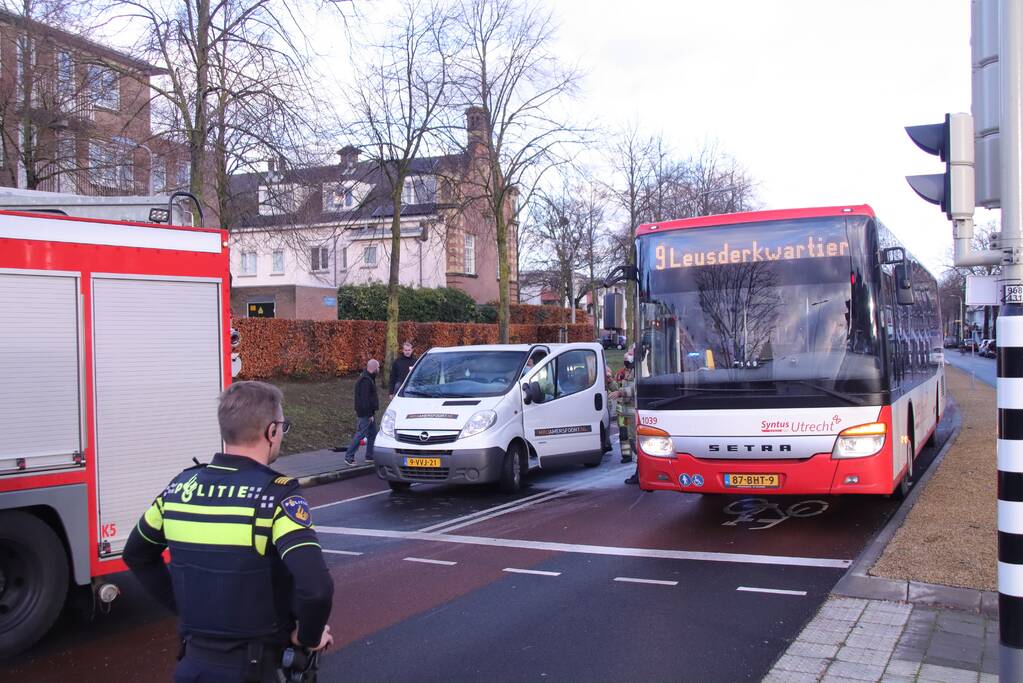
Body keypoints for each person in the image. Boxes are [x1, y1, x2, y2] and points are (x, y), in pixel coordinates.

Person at [122, 381, 334, 683]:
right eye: (282, 428)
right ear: (271, 431)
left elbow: (137, 554)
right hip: (253, 668)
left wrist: (183, 604)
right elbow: (316, 588)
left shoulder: (178, 488)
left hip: (191, 666)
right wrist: (309, 637)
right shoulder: (276, 496)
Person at [345, 359, 380, 465]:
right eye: (378, 368)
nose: (379, 370)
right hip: (365, 413)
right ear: (374, 368)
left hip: (369, 412)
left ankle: (370, 456)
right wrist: (369, 414)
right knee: (360, 434)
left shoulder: (369, 378)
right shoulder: (365, 381)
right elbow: (364, 399)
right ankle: (349, 457)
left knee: (373, 434)